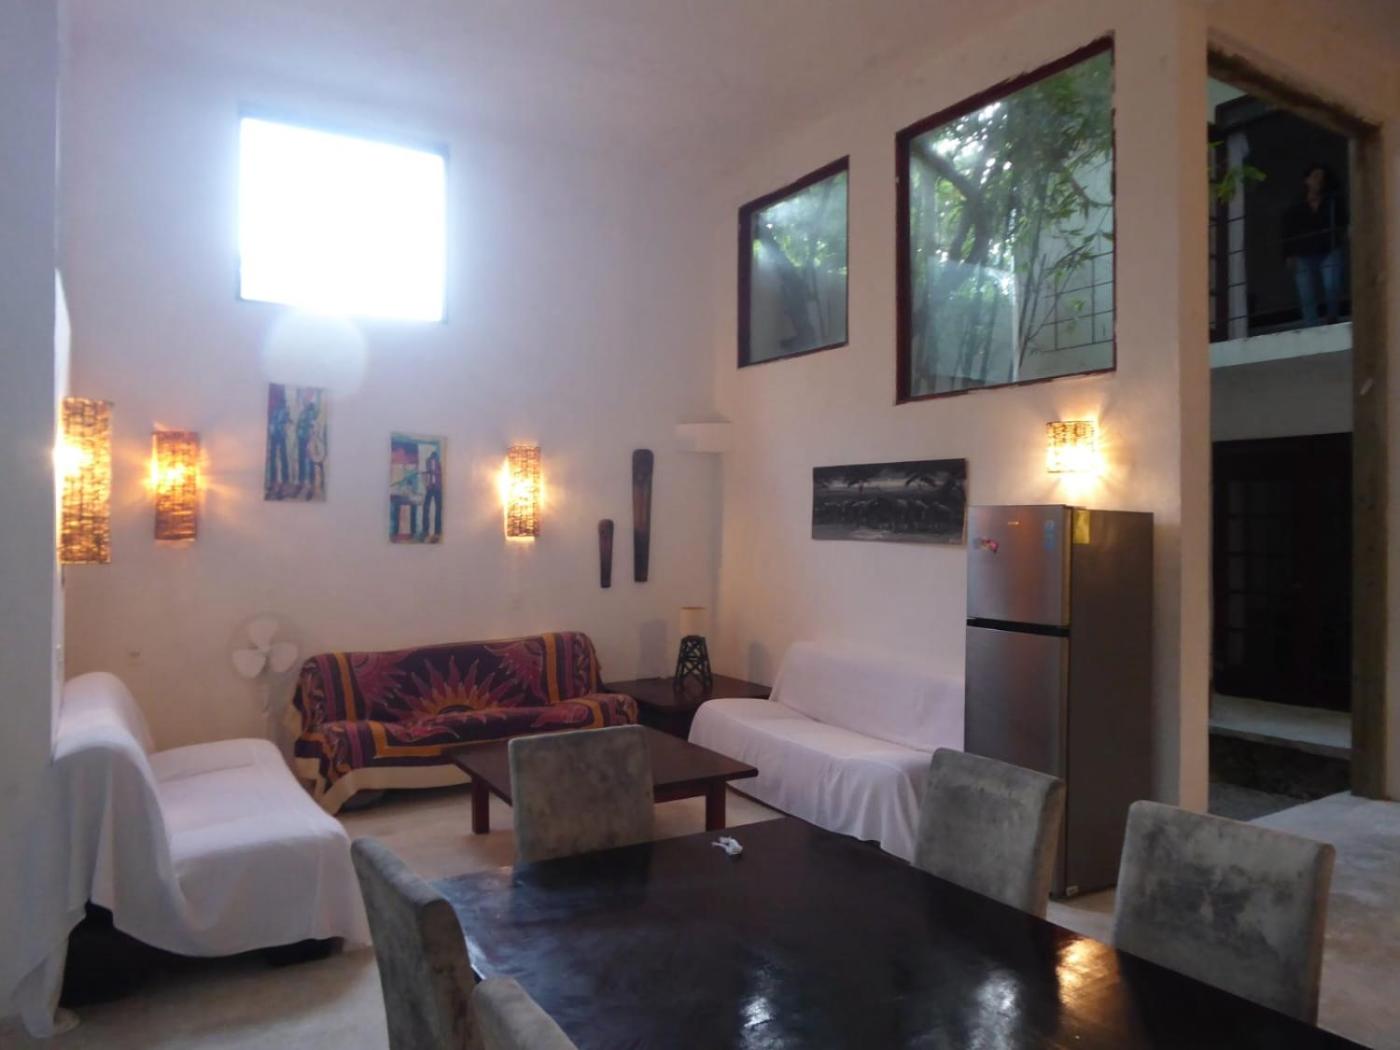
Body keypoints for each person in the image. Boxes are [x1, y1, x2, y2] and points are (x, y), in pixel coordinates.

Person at [1282, 163, 1347, 326]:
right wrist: (1288, 254)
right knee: (1306, 294)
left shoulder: (1332, 201)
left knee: (1332, 285)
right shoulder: (1296, 204)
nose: (1319, 180)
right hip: (1303, 253)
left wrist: (1345, 234)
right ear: (1307, 180)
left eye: (1322, 177)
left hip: (1329, 250)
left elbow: (1344, 222)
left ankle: (1332, 317)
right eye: (1315, 176)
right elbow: (1288, 230)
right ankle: (1311, 326)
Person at [421, 448, 442, 541]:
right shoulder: (427, 462)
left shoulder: (439, 463)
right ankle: (425, 530)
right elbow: (424, 474)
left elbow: (441, 474)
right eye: (432, 458)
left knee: (438, 509)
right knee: (426, 508)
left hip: (437, 488)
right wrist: (426, 484)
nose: (434, 459)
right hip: (429, 488)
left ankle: (437, 531)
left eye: (435, 458)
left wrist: (436, 473)